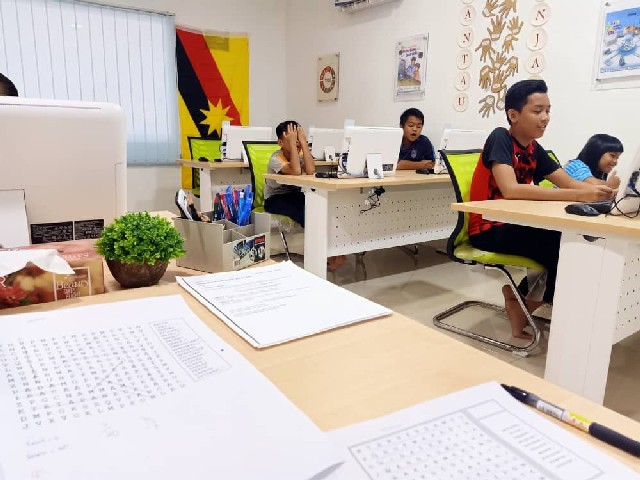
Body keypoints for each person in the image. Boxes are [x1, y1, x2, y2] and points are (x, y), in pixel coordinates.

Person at [468, 79, 615, 339]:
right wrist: (580, 194)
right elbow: (511, 189)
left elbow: (569, 182)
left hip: (516, 224)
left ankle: (523, 302)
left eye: (548, 110)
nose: (546, 117)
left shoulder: (535, 149)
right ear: (513, 115)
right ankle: (535, 305)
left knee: (570, 240)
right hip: (488, 227)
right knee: (564, 246)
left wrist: (601, 191)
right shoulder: (501, 138)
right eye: (537, 111)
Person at [264, 120, 345, 270]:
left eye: (298, 138)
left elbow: (311, 171)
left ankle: (334, 249)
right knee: (306, 212)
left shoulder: (301, 152)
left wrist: (303, 142)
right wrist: (294, 144)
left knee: (320, 206)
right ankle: (323, 255)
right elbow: (295, 171)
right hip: (274, 200)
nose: (296, 142)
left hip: (295, 195)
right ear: (280, 142)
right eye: (291, 139)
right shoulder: (276, 158)